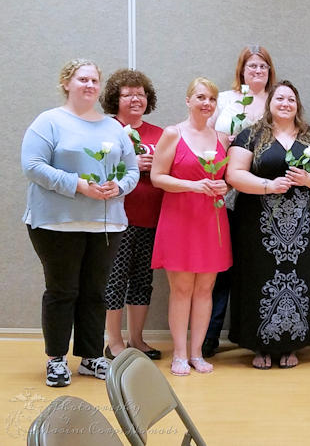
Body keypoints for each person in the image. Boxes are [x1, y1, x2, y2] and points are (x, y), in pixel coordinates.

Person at [21, 59, 139, 387]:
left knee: (95, 292)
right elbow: (31, 165)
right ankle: (56, 359)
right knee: (62, 291)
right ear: (67, 83)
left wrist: (120, 186)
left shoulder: (113, 127)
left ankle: (91, 357)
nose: (89, 85)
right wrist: (78, 184)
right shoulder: (49, 122)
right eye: (82, 79)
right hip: (56, 224)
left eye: (94, 80)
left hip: (105, 225)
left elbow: (130, 170)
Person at [226, 80, 310, 369]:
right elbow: (234, 174)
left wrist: (308, 180)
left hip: (302, 227)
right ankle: (259, 347)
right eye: (280, 99)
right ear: (269, 103)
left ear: (298, 104)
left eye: (291, 99)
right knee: (257, 278)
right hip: (257, 226)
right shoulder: (251, 136)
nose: (285, 103)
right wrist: (267, 185)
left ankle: (292, 345)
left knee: (301, 278)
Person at [150, 77, 232, 376]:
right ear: (188, 101)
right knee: (182, 289)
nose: (206, 103)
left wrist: (223, 186)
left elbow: (228, 177)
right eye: (200, 97)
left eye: (211, 98)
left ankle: (197, 352)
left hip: (212, 219)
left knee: (206, 289)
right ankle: (180, 354)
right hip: (180, 218)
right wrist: (194, 186)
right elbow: (158, 177)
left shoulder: (222, 138)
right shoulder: (173, 134)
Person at [203, 45, 277, 358]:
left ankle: (255, 333)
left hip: (264, 193)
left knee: (258, 268)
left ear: (269, 70)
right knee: (221, 270)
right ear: (242, 70)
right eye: (251, 66)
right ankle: (209, 337)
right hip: (225, 190)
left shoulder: (277, 100)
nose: (257, 71)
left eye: (262, 66)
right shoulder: (224, 99)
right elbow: (205, 137)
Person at [101, 69, 164, 361]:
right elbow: (97, 170)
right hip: (116, 219)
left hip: (151, 218)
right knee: (115, 279)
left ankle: (136, 339)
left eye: (140, 93)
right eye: (128, 94)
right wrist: (132, 164)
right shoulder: (105, 130)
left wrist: (157, 168)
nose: (135, 98)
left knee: (142, 280)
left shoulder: (159, 134)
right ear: (115, 98)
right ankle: (113, 341)